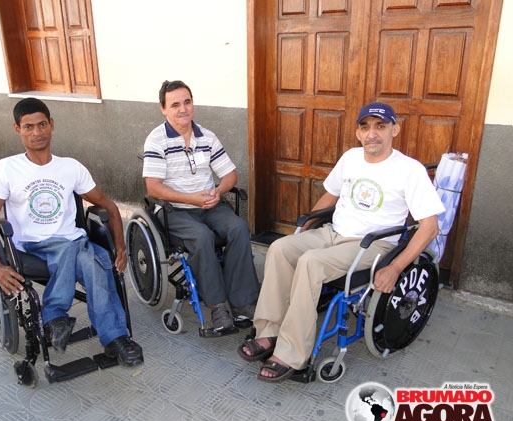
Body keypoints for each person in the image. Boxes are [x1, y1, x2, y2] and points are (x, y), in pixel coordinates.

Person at [238, 102, 445, 382]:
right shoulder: (351, 158)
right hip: (332, 233)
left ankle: (292, 353)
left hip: (372, 245)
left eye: (380, 126)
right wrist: (306, 227)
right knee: (280, 248)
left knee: (310, 263)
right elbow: (330, 196)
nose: (372, 134)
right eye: (365, 127)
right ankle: (269, 331)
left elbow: (430, 227)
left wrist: (395, 268)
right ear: (358, 133)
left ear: (394, 130)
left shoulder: (410, 170)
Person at [0, 97, 143, 366]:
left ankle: (84, 328)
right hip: (32, 246)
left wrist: (120, 246)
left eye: (42, 124)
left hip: (73, 241)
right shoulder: (7, 168)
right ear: (17, 129)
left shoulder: (71, 167)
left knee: (90, 258)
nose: (37, 132)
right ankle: (98, 331)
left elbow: (108, 206)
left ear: (51, 124)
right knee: (85, 253)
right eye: (28, 127)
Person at [142, 80, 260, 332]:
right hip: (174, 210)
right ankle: (217, 307)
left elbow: (230, 175)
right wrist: (191, 199)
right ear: (163, 109)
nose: (183, 109)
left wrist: (218, 191)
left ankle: (243, 303)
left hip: (209, 204)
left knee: (239, 228)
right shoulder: (156, 140)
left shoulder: (206, 136)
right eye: (175, 104)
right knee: (202, 236)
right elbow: (153, 188)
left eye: (187, 102)